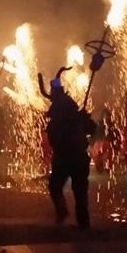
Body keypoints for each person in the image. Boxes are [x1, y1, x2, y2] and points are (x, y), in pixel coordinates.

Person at [44, 74, 97, 229]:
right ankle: (82, 222)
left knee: (56, 186)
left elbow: (91, 128)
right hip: (77, 157)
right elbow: (92, 128)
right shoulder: (74, 113)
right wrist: (83, 119)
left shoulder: (61, 113)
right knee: (79, 191)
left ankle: (64, 212)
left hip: (66, 157)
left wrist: (83, 119)